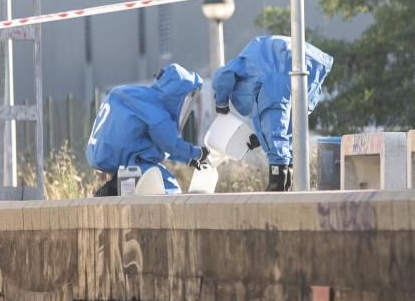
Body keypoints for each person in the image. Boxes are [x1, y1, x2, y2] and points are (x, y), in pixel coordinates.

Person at [212, 35, 333, 192]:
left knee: (275, 128)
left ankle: (278, 182)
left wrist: (221, 104)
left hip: (278, 70)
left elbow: (223, 76)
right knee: (291, 129)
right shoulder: (253, 66)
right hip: (311, 67)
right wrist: (261, 139)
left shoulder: (241, 65)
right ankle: (286, 180)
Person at [86, 63, 211, 196]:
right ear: (177, 94)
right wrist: (198, 153)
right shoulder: (158, 111)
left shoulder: (138, 96)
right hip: (137, 164)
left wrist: (188, 159)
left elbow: (157, 145)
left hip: (115, 162)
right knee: (169, 190)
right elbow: (170, 144)